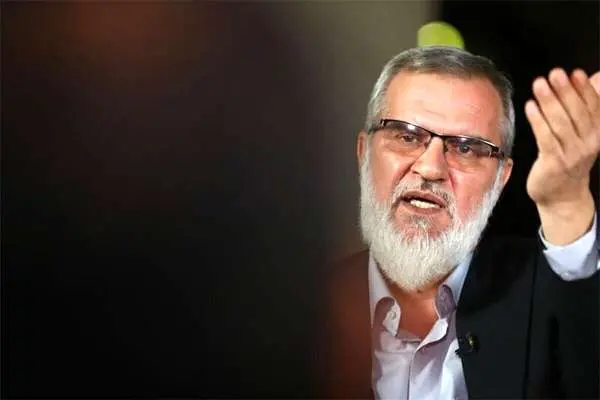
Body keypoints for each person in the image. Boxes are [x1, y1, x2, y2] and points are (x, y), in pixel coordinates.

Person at [316, 46, 599, 399]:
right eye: (407, 136)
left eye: (466, 148)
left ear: (501, 178)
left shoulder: (543, 297)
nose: (430, 168)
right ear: (364, 152)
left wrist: (566, 206)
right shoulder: (299, 308)